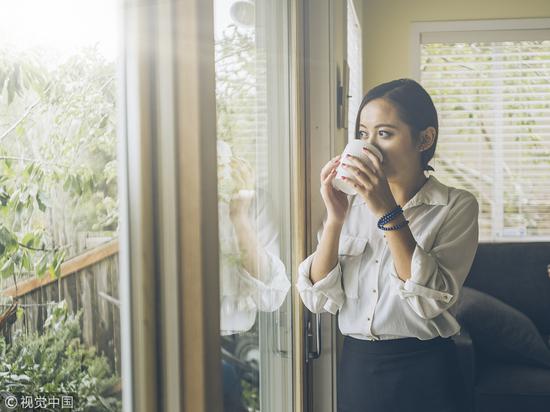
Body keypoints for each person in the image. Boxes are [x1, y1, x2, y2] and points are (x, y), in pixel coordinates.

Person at [296, 78, 479, 412]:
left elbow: (430, 299)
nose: (371, 147)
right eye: (363, 134)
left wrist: (385, 210)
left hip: (426, 370)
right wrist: (335, 219)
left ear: (425, 138)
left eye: (385, 133)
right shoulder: (349, 205)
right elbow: (319, 298)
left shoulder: (456, 205)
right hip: (358, 368)